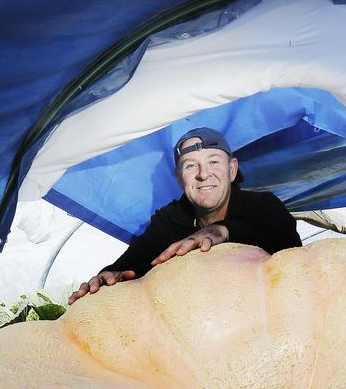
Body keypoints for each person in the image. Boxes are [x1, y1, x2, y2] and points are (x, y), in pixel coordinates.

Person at [68, 127, 301, 305]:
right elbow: (133, 261)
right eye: (190, 166)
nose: (203, 174)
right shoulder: (168, 220)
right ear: (180, 178)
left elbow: (292, 256)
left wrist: (224, 230)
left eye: (213, 162)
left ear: (231, 169)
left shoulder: (264, 206)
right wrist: (110, 275)